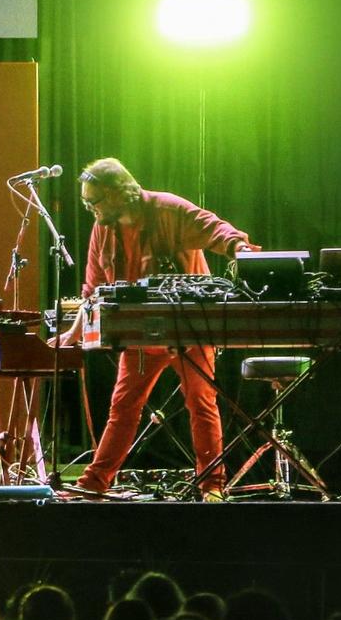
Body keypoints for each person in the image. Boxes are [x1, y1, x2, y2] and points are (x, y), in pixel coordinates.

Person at [59, 157, 257, 499]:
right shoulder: (102, 230)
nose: (89, 208)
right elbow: (91, 292)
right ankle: (95, 484)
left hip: (190, 328)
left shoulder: (168, 209)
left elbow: (215, 228)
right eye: (85, 202)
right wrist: (72, 334)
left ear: (118, 193)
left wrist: (240, 249)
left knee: (201, 402)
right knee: (123, 407)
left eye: (94, 201)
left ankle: (211, 486)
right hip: (141, 333)